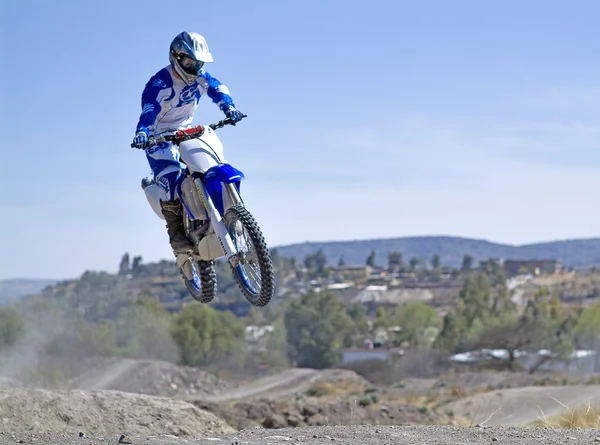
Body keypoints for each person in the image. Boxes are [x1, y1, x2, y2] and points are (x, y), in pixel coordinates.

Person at [131, 31, 245, 258]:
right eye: (189, 62)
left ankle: (227, 212)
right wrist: (143, 131)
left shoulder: (202, 77)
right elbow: (149, 110)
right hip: (158, 136)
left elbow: (218, 88)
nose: (194, 67)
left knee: (213, 159)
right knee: (172, 175)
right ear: (176, 57)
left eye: (198, 62)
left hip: (187, 130)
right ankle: (176, 235)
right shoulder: (158, 83)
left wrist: (229, 107)